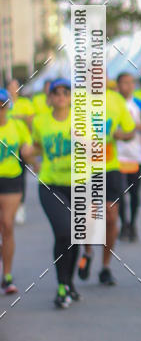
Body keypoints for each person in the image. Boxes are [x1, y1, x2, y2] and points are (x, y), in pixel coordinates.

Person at [78, 85, 135, 286]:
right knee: (89, 218)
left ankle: (105, 267)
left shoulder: (116, 100)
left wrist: (123, 135)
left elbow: (130, 131)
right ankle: (88, 251)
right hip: (84, 168)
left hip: (110, 167)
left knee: (111, 216)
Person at [31, 78, 78, 308]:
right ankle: (62, 286)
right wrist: (30, 158)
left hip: (79, 184)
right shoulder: (40, 122)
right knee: (63, 231)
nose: (61, 96)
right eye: (56, 92)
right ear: (49, 98)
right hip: (50, 184)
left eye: (65, 92)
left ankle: (70, 281)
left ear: (71, 97)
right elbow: (36, 145)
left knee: (76, 235)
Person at [0, 89, 34, 294]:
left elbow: (28, 150)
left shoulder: (17, 126)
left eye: (3, 105)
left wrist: (37, 160)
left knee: (7, 224)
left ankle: (7, 276)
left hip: (12, 179)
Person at [117, 72, 141, 241]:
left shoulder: (140, 105)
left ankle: (132, 224)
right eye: (124, 83)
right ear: (118, 85)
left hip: (135, 156)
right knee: (119, 194)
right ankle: (123, 223)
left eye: (131, 82)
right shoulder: (112, 104)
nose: (128, 86)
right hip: (116, 157)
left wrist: (134, 126)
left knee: (134, 193)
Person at [6, 79, 35, 226]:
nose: (13, 89)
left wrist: (18, 118)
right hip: (7, 145)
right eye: (10, 87)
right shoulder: (4, 102)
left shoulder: (25, 103)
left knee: (21, 174)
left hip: (22, 143)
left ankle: (20, 205)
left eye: (15, 87)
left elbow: (30, 119)